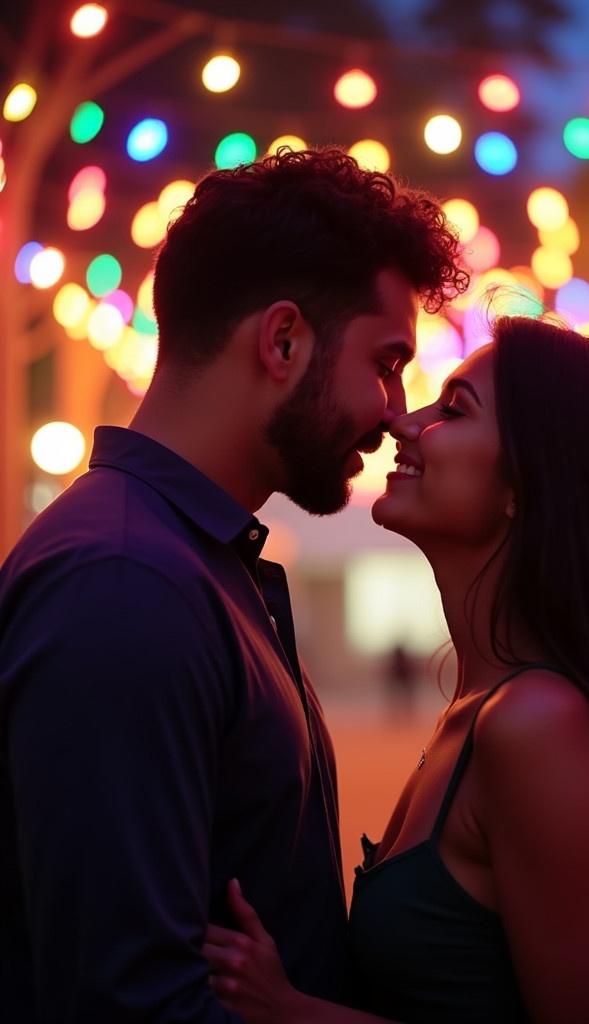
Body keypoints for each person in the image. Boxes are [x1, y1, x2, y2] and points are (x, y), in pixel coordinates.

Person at [0, 146, 468, 1023]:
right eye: (386, 362)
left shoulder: (187, 565)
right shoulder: (125, 584)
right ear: (283, 340)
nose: (396, 412)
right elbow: (128, 1001)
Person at [203, 314, 589, 1024]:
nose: (401, 422)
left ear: (530, 484)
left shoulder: (538, 726)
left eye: (453, 410)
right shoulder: (477, 709)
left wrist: (292, 1013)